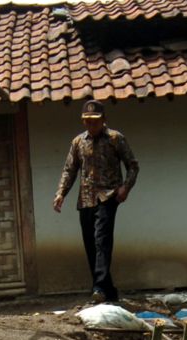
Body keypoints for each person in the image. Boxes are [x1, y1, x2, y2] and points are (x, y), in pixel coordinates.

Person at [53, 99, 139, 303]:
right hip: (85, 199)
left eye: (95, 121)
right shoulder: (78, 142)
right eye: (87, 121)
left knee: (102, 240)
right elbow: (70, 169)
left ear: (103, 120)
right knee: (91, 244)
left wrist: (125, 187)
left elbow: (133, 165)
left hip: (108, 196)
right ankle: (109, 290)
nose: (91, 125)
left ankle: (99, 287)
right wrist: (61, 193)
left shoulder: (115, 139)